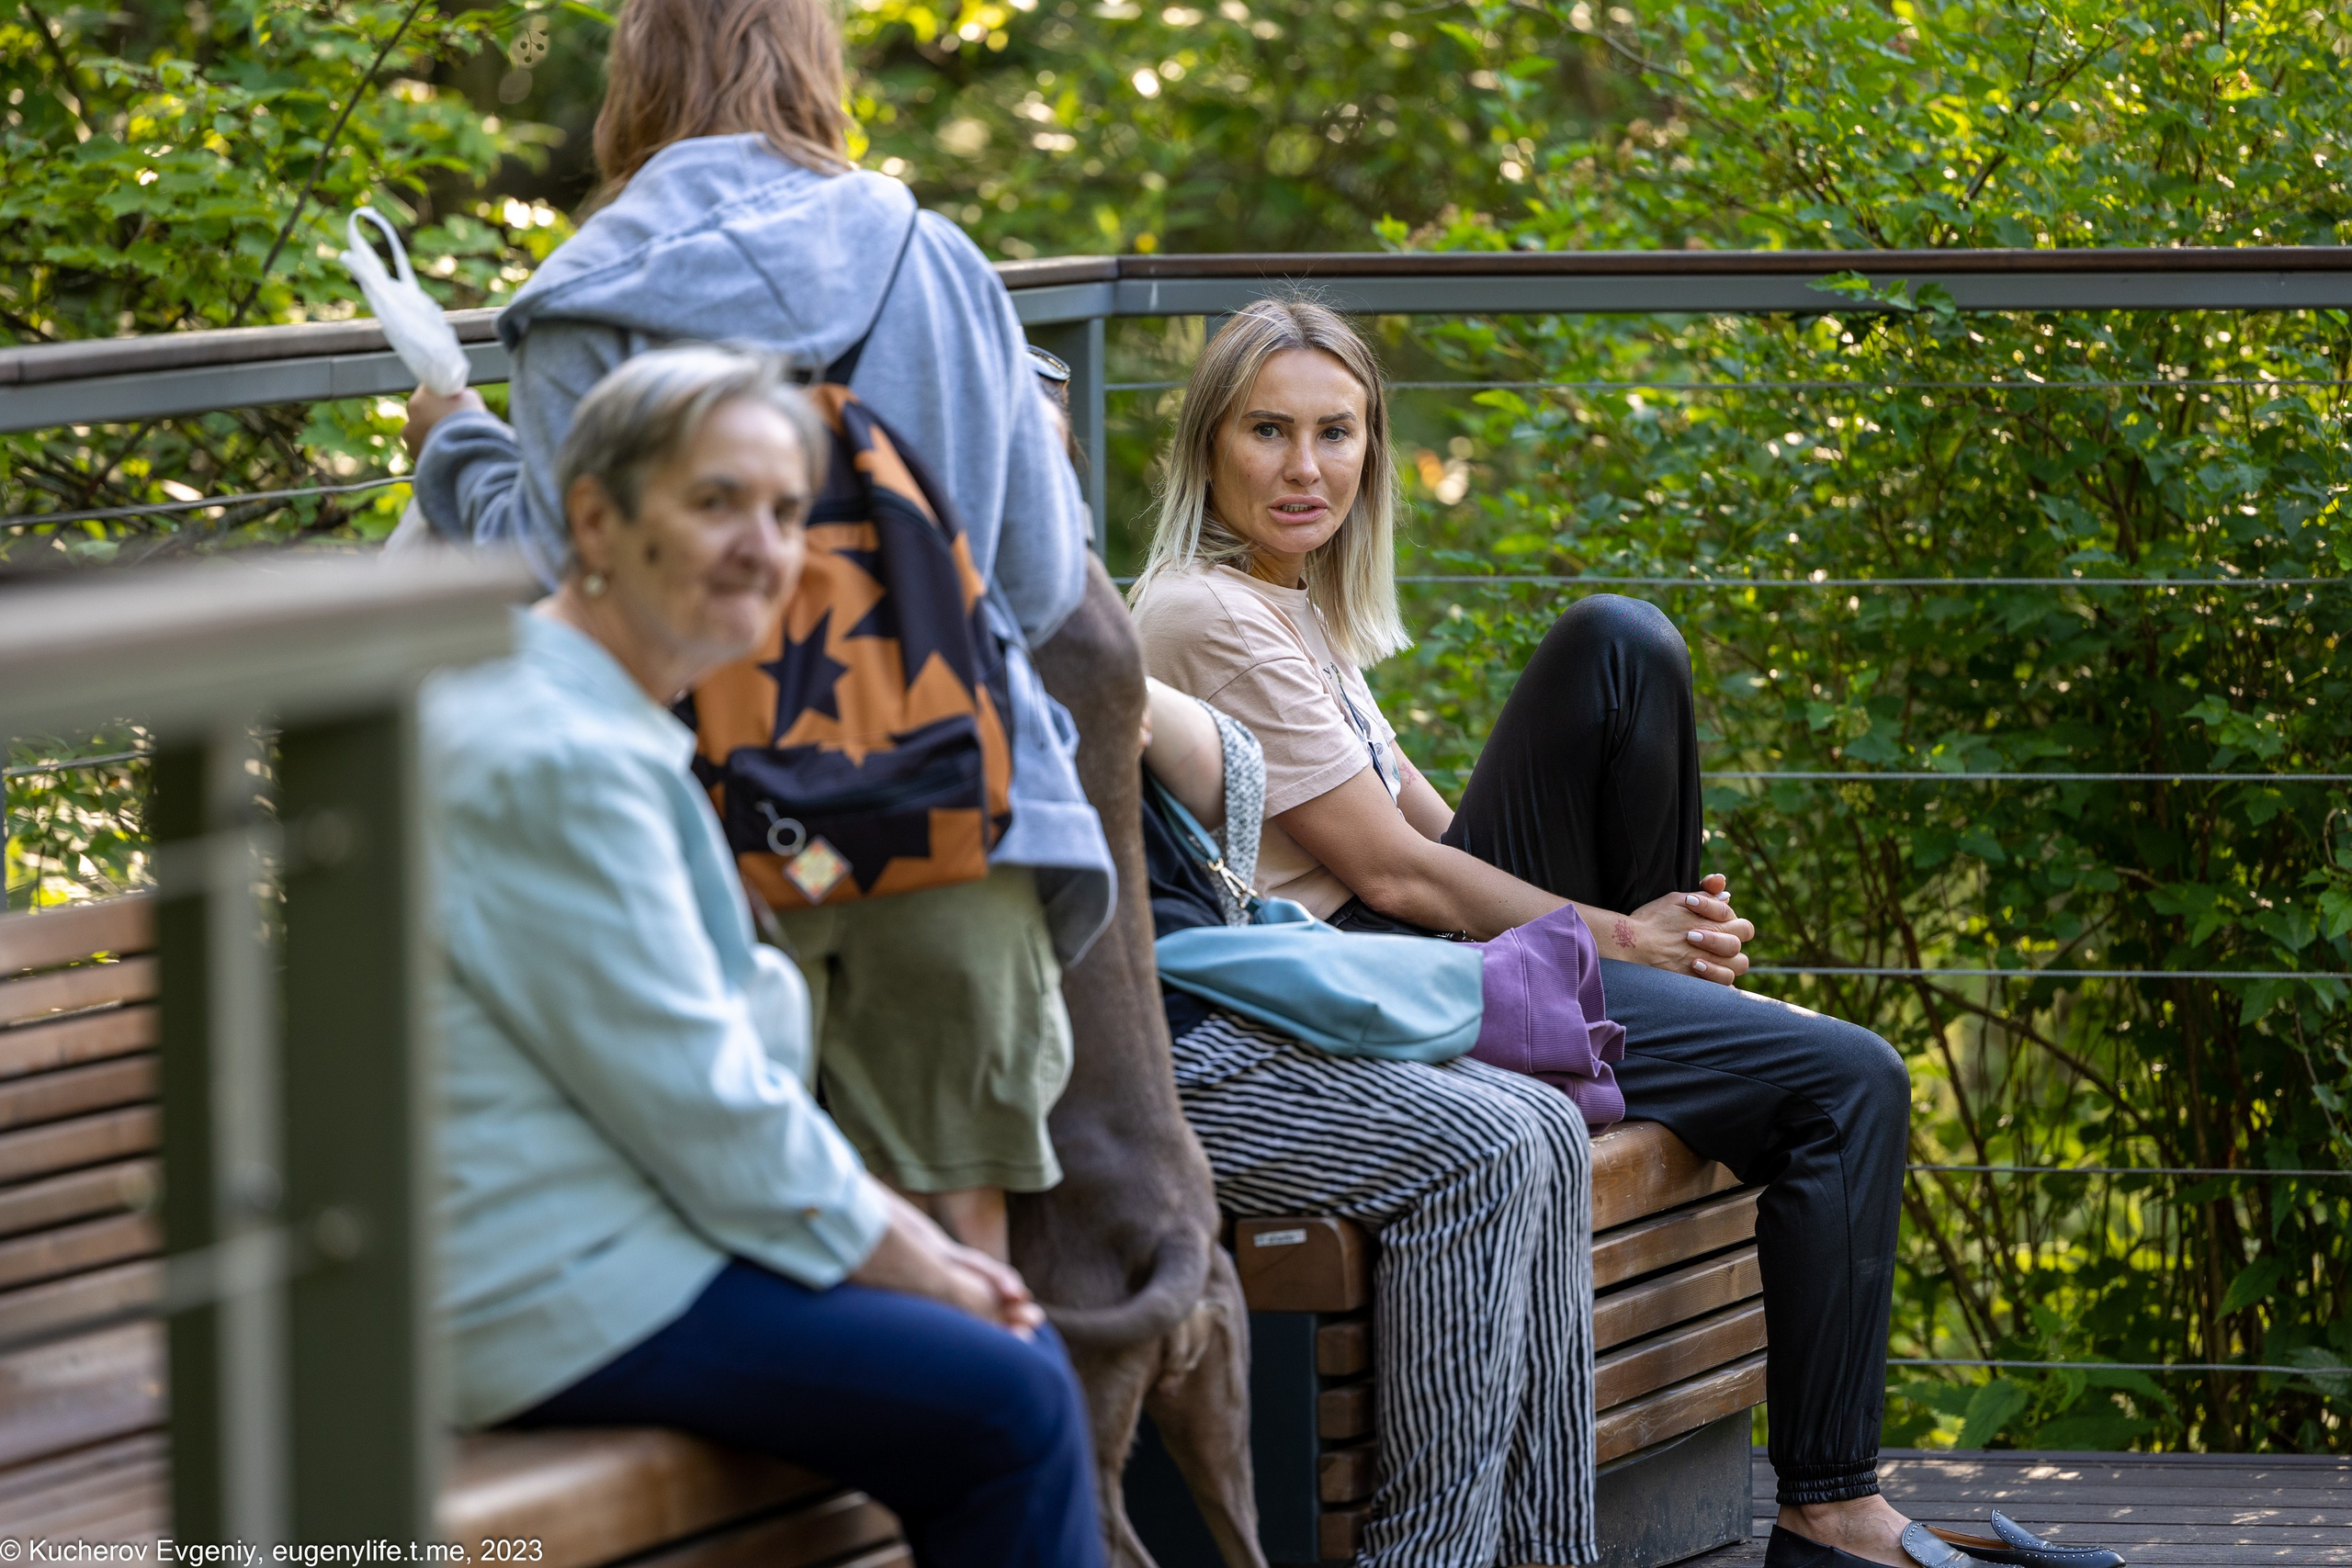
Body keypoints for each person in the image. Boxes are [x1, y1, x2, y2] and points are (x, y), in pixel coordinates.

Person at [1127, 298, 1979, 1568]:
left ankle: (1679, 1022)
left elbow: (1429, 823)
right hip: (1350, 986)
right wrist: (1624, 945)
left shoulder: (1292, 604)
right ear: (1208, 448)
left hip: (1403, 937)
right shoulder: (1208, 610)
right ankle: (1832, 1503)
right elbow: (1399, 874)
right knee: (1846, 1079)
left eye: (1336, 432)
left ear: (1371, 449)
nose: (1306, 468)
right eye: (1268, 431)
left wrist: (1657, 933)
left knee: (1619, 648)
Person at [401, 0, 1109, 1263]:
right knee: (963, 1247)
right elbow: (1043, 578)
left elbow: (565, 578)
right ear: (817, 68)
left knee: (749, 1227)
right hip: (949, 815)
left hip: (705, 834)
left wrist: (454, 446)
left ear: (637, 80)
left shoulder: (581, 297)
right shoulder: (936, 258)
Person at [422, 344, 1102, 1568]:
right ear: (595, 517)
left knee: (1009, 1356)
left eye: (788, 511)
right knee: (1008, 1397)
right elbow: (696, 1092)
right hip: (543, 1285)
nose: (763, 544)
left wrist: (924, 1252)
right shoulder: (554, 755)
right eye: (714, 500)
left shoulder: (579, 705)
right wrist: (912, 1252)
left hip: (622, 1230)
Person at [1140, 674, 1600, 1568]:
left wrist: (1097, 671)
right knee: (1487, 1148)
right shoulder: (925, 676)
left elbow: (1230, 784)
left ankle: (1546, 1553)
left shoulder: (1046, 641)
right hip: (1137, 1041)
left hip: (1212, 979)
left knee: (1545, 1120)